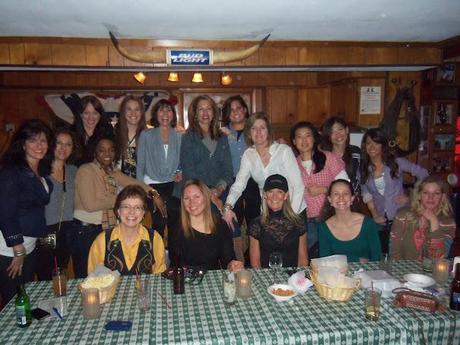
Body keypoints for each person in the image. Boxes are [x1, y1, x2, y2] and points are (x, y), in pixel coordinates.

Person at [71, 137, 166, 278]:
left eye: (111, 150)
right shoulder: (86, 170)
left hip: (104, 228)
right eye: (101, 150)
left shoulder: (111, 172)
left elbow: (134, 183)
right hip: (85, 232)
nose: (107, 153)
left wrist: (153, 193)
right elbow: (90, 205)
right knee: (88, 277)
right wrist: (125, 202)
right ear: (95, 153)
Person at [0, 119, 53, 306]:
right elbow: (5, 212)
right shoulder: (12, 172)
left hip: (29, 245)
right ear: (23, 144)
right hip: (10, 249)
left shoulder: (40, 171)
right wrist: (17, 249)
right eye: (33, 140)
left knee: (25, 297)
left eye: (43, 141)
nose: (39, 145)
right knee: (14, 301)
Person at [223, 113, 306, 229]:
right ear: (249, 133)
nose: (258, 132)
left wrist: (289, 217)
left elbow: (299, 187)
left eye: (262, 128)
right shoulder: (248, 155)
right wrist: (228, 206)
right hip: (268, 212)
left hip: (293, 209)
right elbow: (239, 185)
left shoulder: (284, 151)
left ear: (268, 131)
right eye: (254, 128)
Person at [360, 127, 428, 254]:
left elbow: (424, 174)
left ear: (383, 145)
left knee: (404, 253)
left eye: (376, 142)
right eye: (368, 143)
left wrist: (411, 196)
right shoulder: (364, 168)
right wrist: (374, 214)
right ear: (364, 146)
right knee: (383, 254)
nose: (372, 146)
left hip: (403, 216)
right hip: (381, 221)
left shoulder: (396, 162)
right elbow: (366, 193)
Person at [290, 121, 348, 258]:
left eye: (308, 136)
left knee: (332, 258)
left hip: (330, 217)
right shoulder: (292, 164)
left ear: (314, 138)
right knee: (309, 259)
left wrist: (324, 189)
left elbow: (346, 185)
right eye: (299, 136)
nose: (304, 140)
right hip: (306, 220)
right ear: (294, 141)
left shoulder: (329, 158)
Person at [88, 185, 166, 275]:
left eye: (137, 207)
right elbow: (94, 278)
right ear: (118, 211)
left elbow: (159, 276)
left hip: (145, 289)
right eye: (126, 207)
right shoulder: (102, 240)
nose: (131, 212)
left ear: (143, 212)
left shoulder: (155, 238)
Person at [168, 179, 243, 271]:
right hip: (186, 280)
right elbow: (175, 264)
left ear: (206, 198)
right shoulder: (176, 228)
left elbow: (228, 259)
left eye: (197, 197)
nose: (192, 202)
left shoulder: (221, 225)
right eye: (187, 198)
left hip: (213, 280)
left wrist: (232, 265)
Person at [220, 95, 260, 261]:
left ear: (245, 110)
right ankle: (235, 259)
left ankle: (253, 258)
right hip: (230, 182)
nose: (235, 112)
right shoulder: (221, 133)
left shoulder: (255, 131)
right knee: (232, 222)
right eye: (231, 110)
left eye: (239, 108)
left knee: (255, 220)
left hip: (252, 181)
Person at [36, 128, 78, 280]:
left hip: (68, 230)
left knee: (62, 272)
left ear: (72, 149)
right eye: (59, 143)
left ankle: (59, 303)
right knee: (46, 272)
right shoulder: (40, 169)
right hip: (46, 231)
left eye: (68, 144)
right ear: (52, 145)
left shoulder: (74, 171)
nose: (63, 148)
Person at [180, 95, 233, 213]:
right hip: (197, 195)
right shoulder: (187, 138)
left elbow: (228, 169)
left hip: (221, 192)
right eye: (201, 109)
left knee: (230, 225)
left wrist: (219, 189)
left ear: (214, 113)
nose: (205, 112)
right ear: (195, 114)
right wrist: (210, 195)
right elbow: (189, 172)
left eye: (208, 108)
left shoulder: (223, 138)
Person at [137, 99, 182, 237]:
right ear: (155, 114)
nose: (165, 113)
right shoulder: (146, 135)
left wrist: (180, 171)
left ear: (173, 114)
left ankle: (175, 258)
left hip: (173, 185)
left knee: (176, 224)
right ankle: (156, 256)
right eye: (161, 110)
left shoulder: (179, 135)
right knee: (159, 222)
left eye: (169, 110)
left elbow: (182, 161)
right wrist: (148, 191)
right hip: (152, 185)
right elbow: (140, 165)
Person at [390, 176, 456, 260]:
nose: (430, 197)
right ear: (419, 196)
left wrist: (434, 222)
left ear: (443, 197)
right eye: (425, 193)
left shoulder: (448, 223)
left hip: (431, 272)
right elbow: (394, 252)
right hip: (404, 270)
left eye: (436, 193)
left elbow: (438, 259)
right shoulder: (403, 216)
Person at [249, 174, 308, 268]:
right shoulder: (256, 224)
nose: (274, 196)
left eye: (279, 192)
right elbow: (255, 264)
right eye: (270, 191)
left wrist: (297, 280)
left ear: (286, 195)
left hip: (292, 278)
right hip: (266, 279)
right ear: (264, 194)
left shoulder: (299, 222)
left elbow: (303, 261)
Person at [319, 179, 382, 262]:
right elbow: (325, 260)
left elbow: (377, 257)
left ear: (352, 198)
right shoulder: (323, 228)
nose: (341, 197)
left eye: (345, 193)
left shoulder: (368, 223)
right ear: (330, 199)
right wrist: (356, 259)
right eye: (336, 194)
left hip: (367, 273)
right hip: (338, 274)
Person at [320, 116, 361, 196]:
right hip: (328, 200)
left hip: (353, 199)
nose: (338, 134)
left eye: (340, 129)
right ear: (328, 136)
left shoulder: (356, 152)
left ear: (347, 130)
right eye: (332, 132)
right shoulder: (323, 156)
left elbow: (363, 178)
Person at [73, 95, 114, 165]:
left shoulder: (108, 133)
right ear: (80, 114)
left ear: (100, 115)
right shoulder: (71, 133)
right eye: (86, 113)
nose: (90, 117)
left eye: (95, 113)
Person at [115, 95, 147, 177]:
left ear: (142, 112)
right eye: (129, 109)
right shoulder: (113, 133)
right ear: (123, 111)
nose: (133, 113)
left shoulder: (148, 136)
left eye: (137, 109)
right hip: (118, 185)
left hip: (141, 185)